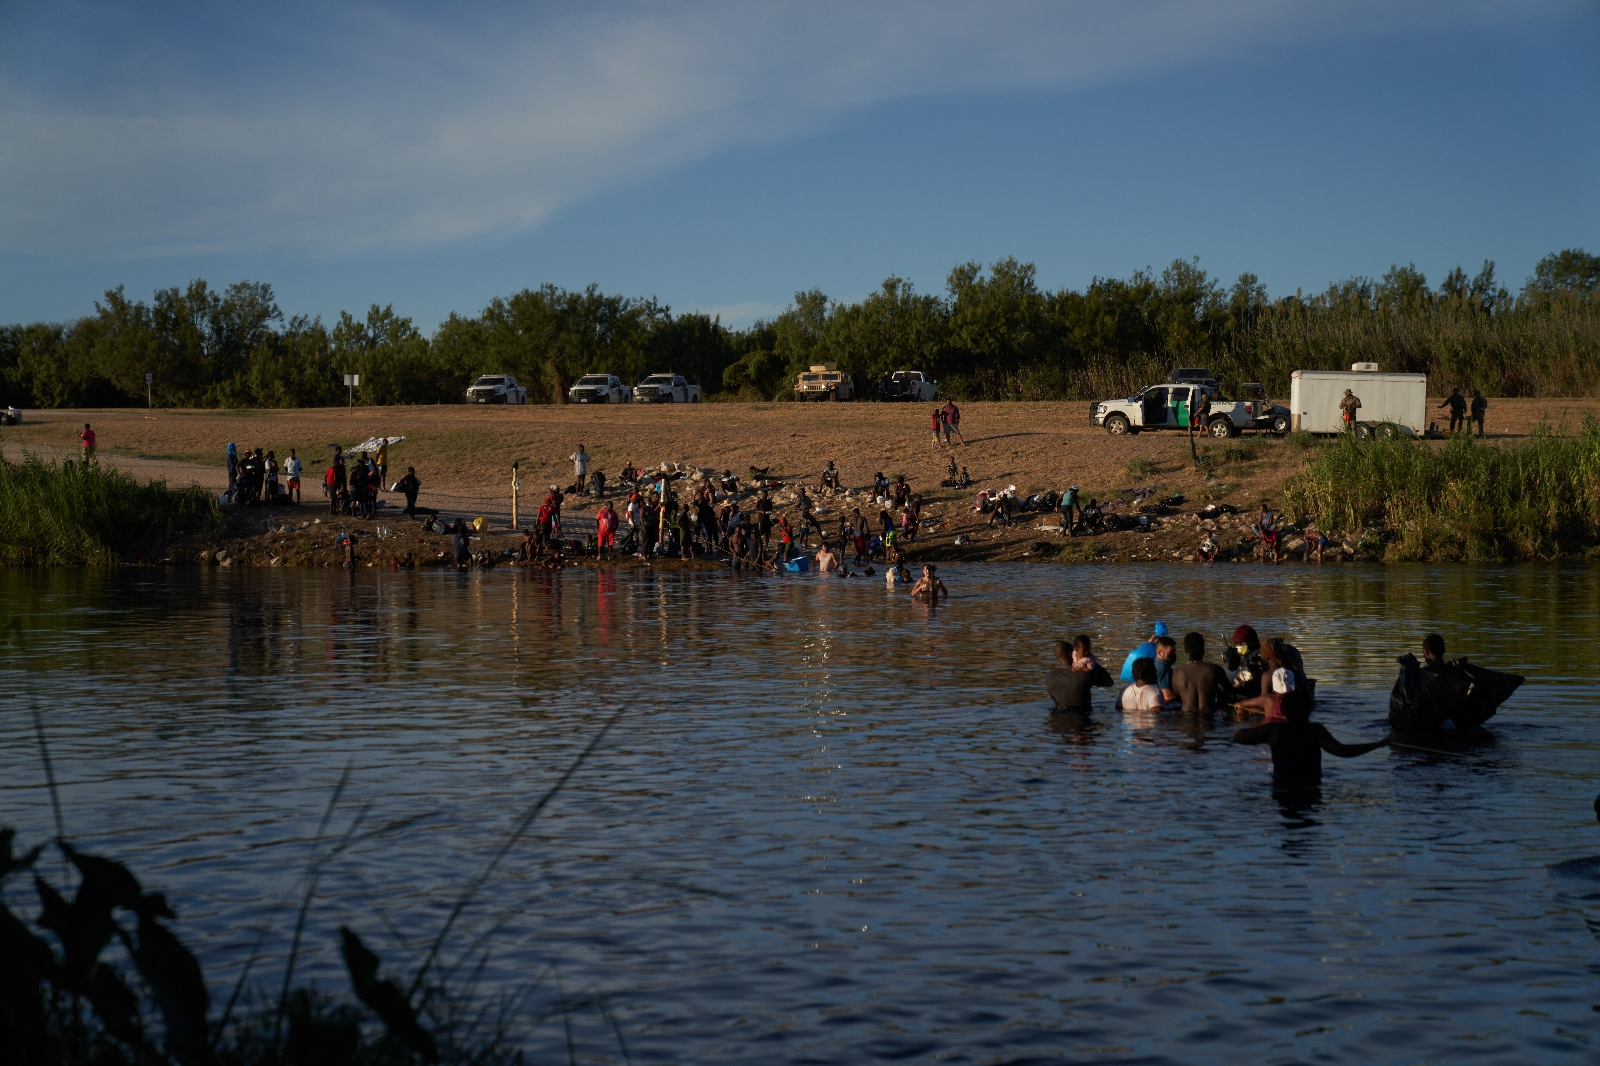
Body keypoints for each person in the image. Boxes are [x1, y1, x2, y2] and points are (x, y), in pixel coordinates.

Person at [1233, 704, 1388, 788]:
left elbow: (1238, 737)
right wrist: (1378, 744)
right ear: (1308, 710)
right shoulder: (1314, 730)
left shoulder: (1274, 730)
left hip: (1282, 785)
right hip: (1311, 785)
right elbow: (1341, 751)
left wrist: (1259, 728)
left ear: (1285, 712)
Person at [1233, 638, 1298, 722]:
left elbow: (1261, 702)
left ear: (1266, 657)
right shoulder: (1291, 672)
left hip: (1271, 723)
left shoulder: (1267, 677)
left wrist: (1243, 705)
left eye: (1261, 653)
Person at [1046, 637, 1113, 713]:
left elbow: (1052, 696)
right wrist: (1092, 663)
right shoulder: (1084, 674)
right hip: (1083, 719)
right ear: (1071, 654)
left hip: (1057, 719)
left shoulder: (1049, 676)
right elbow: (1109, 682)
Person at [1172, 632, 1230, 714]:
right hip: (1209, 718)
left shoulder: (1177, 674)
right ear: (1203, 649)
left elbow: (1177, 697)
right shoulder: (1215, 670)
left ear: (1186, 650)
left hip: (1186, 720)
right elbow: (1229, 689)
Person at [1152, 635, 1179, 707]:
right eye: (1171, 652)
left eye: (1174, 651)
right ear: (1160, 653)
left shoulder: (1154, 664)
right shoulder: (1164, 668)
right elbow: (1168, 697)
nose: (1174, 654)